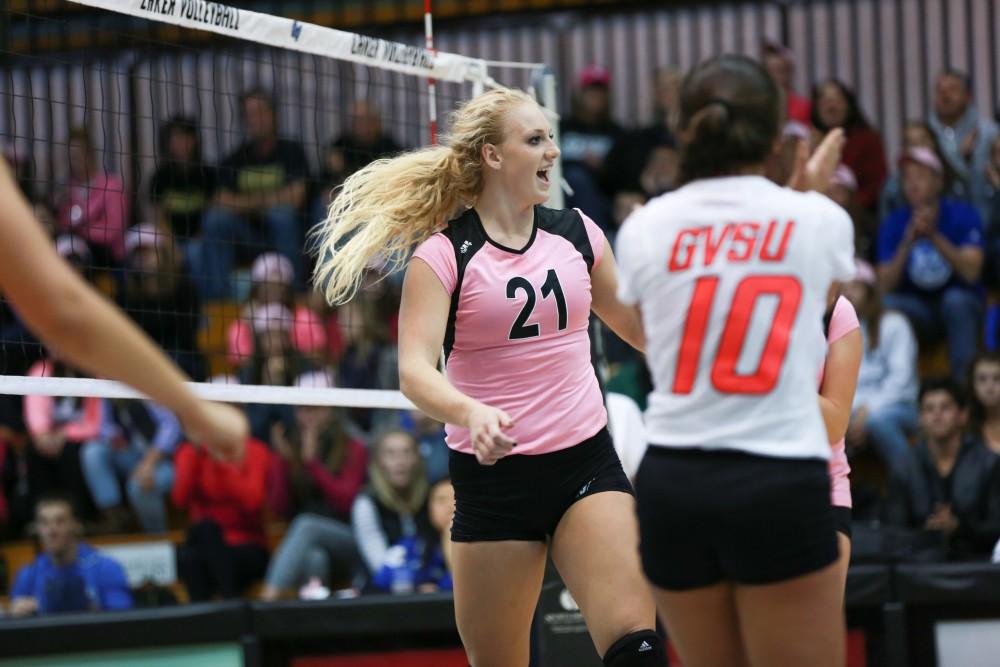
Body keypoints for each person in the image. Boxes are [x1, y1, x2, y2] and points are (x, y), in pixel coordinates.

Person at [313, 88, 663, 666]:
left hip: (585, 464)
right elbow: (413, 371)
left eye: (550, 137)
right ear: (492, 157)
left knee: (637, 646)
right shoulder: (444, 255)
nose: (552, 150)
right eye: (534, 139)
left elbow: (638, 328)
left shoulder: (578, 233)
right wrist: (470, 412)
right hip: (494, 483)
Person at [615, 55, 854, 667]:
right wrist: (802, 195)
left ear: (683, 128)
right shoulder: (820, 219)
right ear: (776, 137)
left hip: (675, 486)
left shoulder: (643, 229)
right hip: (775, 478)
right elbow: (797, 276)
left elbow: (675, 312)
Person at [0, 156, 248, 460]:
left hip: (170, 362)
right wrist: (196, 410)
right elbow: (66, 313)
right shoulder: (127, 294)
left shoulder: (180, 289)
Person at [877, 146, 985, 381]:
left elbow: (971, 273)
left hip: (960, 302)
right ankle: (899, 389)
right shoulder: (895, 223)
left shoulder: (963, 215)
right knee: (887, 305)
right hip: (919, 308)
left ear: (939, 181)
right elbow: (883, 286)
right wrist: (907, 243)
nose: (913, 183)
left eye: (921, 176)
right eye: (907, 177)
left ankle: (963, 392)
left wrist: (934, 236)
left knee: (956, 301)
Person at [259, 372, 368, 601]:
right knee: (314, 557)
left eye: (314, 408)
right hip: (311, 544)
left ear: (331, 408)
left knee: (306, 524)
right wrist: (282, 460)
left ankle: (267, 601)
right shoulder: (292, 447)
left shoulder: (353, 446)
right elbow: (279, 507)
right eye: (301, 409)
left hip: (350, 540)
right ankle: (315, 622)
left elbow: (346, 501)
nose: (307, 415)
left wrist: (313, 466)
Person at [196, 88, 308, 300]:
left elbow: (296, 197)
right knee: (215, 220)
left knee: (281, 215)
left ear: (274, 115)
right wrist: (269, 200)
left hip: (284, 236)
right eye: (250, 114)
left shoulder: (292, 152)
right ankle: (219, 303)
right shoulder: (236, 158)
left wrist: (244, 203)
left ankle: (295, 295)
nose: (256, 119)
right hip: (247, 236)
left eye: (261, 112)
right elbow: (220, 201)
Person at [885, 378, 1000, 560]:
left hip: (978, 563)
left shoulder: (989, 462)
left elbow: (996, 526)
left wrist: (959, 527)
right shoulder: (905, 466)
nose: (937, 415)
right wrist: (926, 533)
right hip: (916, 566)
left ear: (962, 414)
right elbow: (894, 529)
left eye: (945, 408)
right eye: (929, 409)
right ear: (921, 418)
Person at [171, 433, 272, 601]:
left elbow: (252, 501)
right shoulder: (190, 451)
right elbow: (180, 499)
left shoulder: (254, 450)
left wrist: (222, 464)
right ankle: (227, 606)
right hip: (203, 545)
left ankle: (218, 609)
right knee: (197, 544)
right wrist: (195, 456)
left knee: (195, 553)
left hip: (246, 546)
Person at [843, 260, 920, 477]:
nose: (848, 294)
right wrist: (854, 414)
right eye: (843, 288)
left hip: (899, 406)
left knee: (878, 421)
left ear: (869, 292)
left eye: (854, 287)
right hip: (855, 411)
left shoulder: (894, 324)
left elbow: (902, 382)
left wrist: (868, 411)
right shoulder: (837, 331)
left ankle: (914, 485)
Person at [8, 494, 132, 616]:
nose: (52, 530)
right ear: (37, 529)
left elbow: (122, 618)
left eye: (60, 521)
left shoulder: (106, 568)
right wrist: (16, 614)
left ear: (76, 525)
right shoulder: (28, 575)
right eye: (44, 523)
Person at [349, 429, 433, 592]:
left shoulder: (431, 497)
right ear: (379, 461)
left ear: (417, 458)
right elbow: (379, 565)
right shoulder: (366, 502)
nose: (399, 461)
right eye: (391, 454)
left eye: (406, 452)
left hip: (429, 587)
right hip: (380, 595)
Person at [80, 399, 180, 534]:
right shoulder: (108, 392)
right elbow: (104, 428)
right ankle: (113, 515)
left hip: (166, 459)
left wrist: (149, 463)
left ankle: (156, 537)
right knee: (93, 452)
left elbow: (171, 426)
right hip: (130, 453)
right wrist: (114, 436)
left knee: (139, 486)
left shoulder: (148, 387)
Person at [819, 293, 863, 601]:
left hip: (819, 486)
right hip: (731, 481)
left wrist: (765, 371)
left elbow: (834, 424)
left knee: (812, 640)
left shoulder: (836, 309)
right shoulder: (723, 294)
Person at [54, 126, 128, 268]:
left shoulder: (112, 186)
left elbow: (112, 231)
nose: (73, 160)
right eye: (70, 155)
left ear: (90, 154)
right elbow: (62, 224)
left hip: (106, 256)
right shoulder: (66, 188)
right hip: (72, 251)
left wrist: (81, 230)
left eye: (77, 154)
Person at [928, 70, 999, 217]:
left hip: (991, 223)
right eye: (940, 90)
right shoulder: (926, 136)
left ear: (968, 96)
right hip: (942, 226)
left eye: (952, 89)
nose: (945, 95)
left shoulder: (989, 133)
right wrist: (959, 158)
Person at [811, 79, 888, 214]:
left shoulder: (867, 139)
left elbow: (877, 185)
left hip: (859, 213)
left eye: (837, 100)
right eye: (825, 101)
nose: (831, 107)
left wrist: (848, 205)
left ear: (848, 105)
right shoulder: (807, 141)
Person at [148, 115, 216, 242]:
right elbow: (157, 217)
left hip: (202, 240)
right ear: (168, 143)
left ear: (195, 140)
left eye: (186, 136)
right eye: (176, 138)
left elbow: (212, 212)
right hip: (169, 240)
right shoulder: (160, 177)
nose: (182, 143)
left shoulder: (207, 174)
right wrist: (172, 246)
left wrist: (198, 240)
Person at [968, 352, 1000, 455]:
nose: (989, 388)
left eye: (997, 378)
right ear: (972, 385)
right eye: (982, 379)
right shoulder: (964, 427)